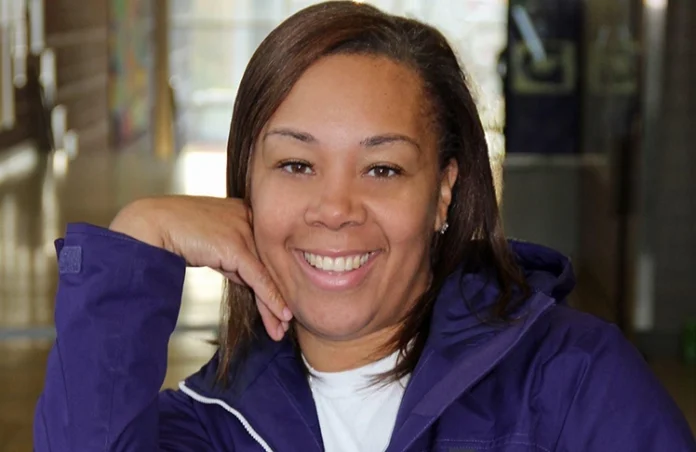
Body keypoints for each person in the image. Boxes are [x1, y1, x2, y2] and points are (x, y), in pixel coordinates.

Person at [33, 2, 695, 451]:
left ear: (443, 192)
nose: (335, 207)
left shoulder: (573, 381)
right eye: (296, 164)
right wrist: (140, 233)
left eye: (382, 169)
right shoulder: (211, 426)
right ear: (246, 187)